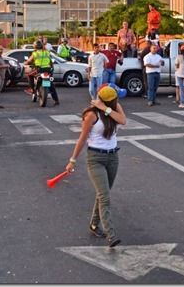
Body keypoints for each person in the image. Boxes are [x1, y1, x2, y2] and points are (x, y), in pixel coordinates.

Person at [65, 84, 127, 248]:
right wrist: (72, 160)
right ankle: (111, 234)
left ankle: (93, 224)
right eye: (116, 97)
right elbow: (82, 138)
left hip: (113, 157)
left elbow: (123, 121)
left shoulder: (114, 109)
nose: (119, 99)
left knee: (102, 194)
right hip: (96, 158)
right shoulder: (91, 115)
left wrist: (104, 108)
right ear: (111, 100)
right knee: (105, 196)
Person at [25, 41, 59, 105]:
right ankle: (56, 100)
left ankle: (32, 89)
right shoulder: (47, 52)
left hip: (39, 70)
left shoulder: (35, 53)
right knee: (51, 85)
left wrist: (26, 63)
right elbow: (50, 62)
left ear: (35, 46)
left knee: (29, 75)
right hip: (48, 70)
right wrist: (51, 70)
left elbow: (28, 61)